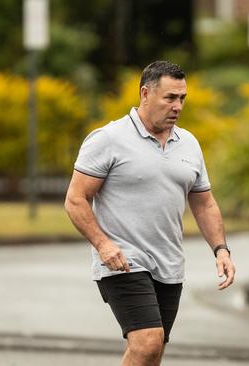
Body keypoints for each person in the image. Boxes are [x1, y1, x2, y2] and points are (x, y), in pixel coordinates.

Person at [65, 60, 235, 366]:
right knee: (147, 343)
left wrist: (220, 249)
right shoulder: (108, 138)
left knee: (152, 352)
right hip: (124, 261)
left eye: (182, 98)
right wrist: (103, 245)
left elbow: (204, 203)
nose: (178, 106)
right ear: (145, 94)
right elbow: (76, 199)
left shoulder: (189, 144)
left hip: (169, 263)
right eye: (170, 98)